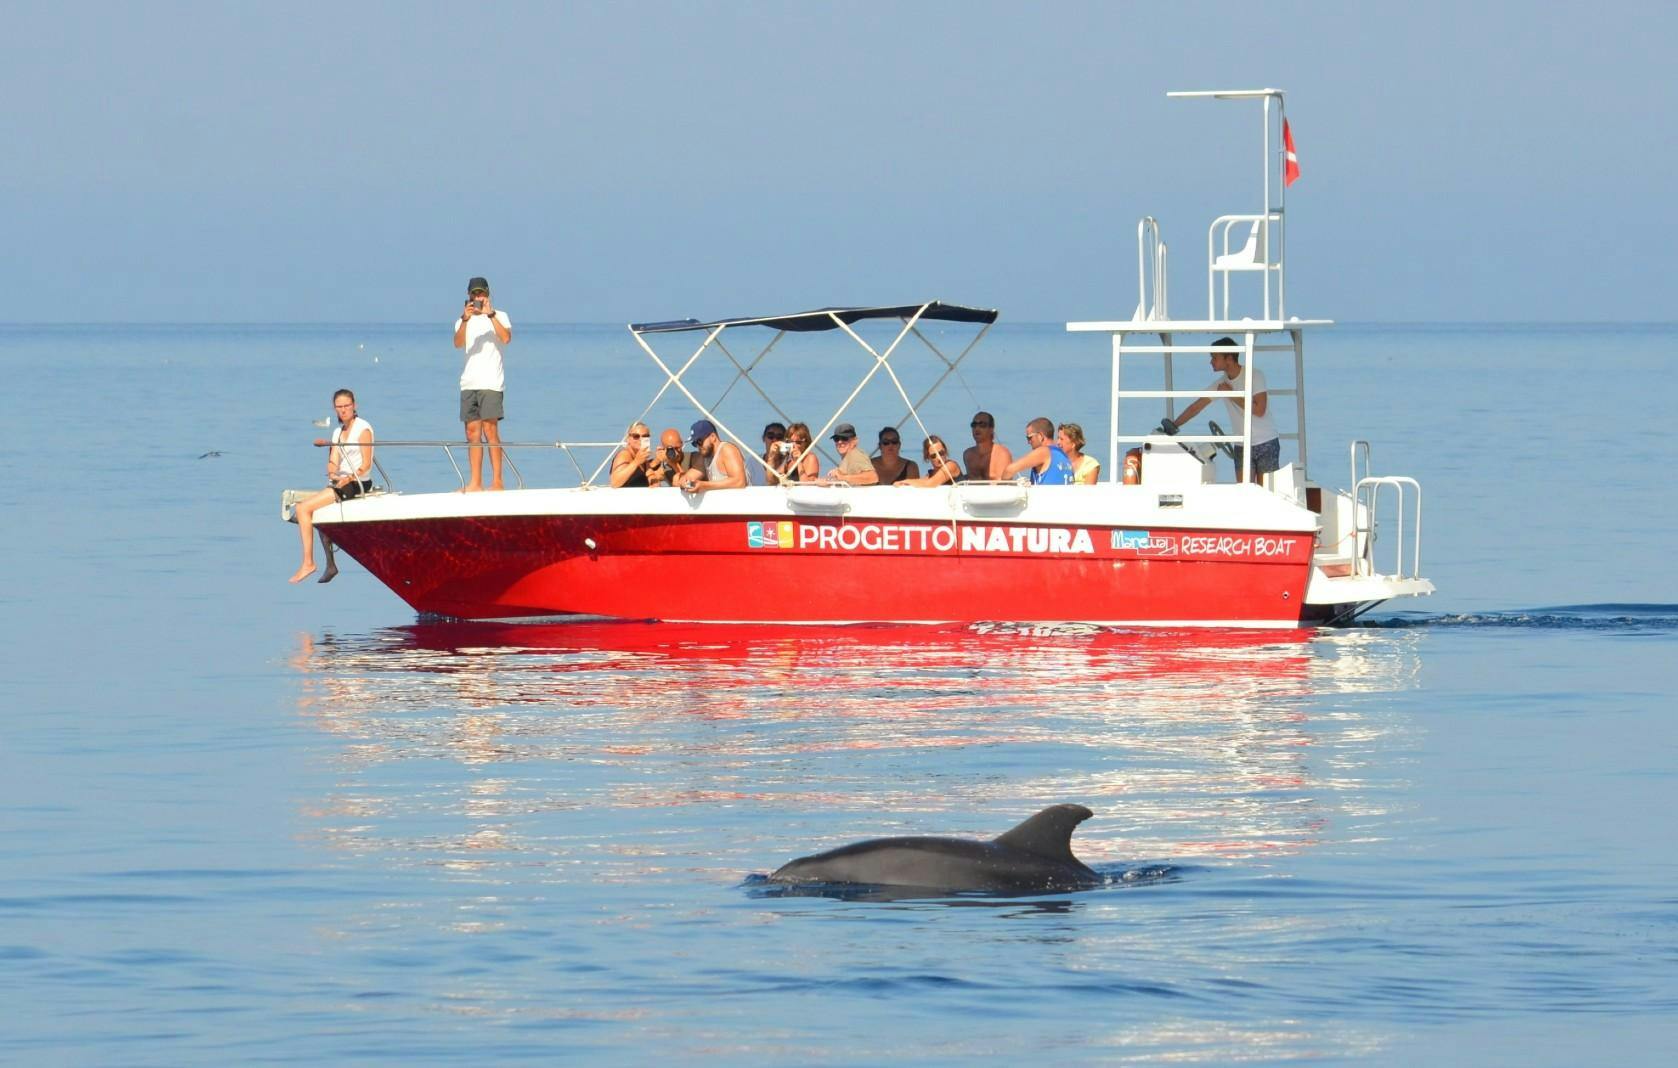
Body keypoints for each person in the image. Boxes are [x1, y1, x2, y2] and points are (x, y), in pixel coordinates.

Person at [290, 389, 373, 584]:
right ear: (334, 409)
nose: (343, 410)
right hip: (341, 481)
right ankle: (331, 564)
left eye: (347, 406)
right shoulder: (337, 432)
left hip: (358, 482)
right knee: (317, 513)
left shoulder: (363, 429)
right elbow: (334, 460)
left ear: (355, 406)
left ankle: (308, 563)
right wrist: (332, 470)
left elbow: (366, 464)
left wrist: (348, 478)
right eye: (339, 407)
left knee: (302, 508)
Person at [1169, 336, 1280, 482]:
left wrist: (1231, 394)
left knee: (1266, 494)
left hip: (1266, 442)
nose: (1211, 362)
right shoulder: (1221, 384)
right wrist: (1174, 426)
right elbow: (1196, 407)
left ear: (1228, 358)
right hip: (1242, 444)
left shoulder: (1255, 375)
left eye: (1215, 357)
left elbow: (1260, 410)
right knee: (1244, 493)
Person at [452, 276, 512, 491]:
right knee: (471, 432)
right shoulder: (462, 320)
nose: (478, 298)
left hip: (491, 382)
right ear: (468, 296)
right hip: (469, 382)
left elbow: (506, 338)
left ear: (488, 294)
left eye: (481, 294)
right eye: (474, 294)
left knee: (490, 430)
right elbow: (458, 343)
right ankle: (475, 482)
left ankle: (497, 481)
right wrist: (466, 319)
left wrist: (491, 314)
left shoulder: (500, 315)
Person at [680, 419, 748, 493]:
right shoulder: (705, 457)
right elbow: (689, 477)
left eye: (699, 441)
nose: (698, 447)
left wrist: (704, 485)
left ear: (713, 437)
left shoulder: (727, 450)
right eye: (694, 443)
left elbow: (740, 482)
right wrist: (684, 481)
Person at [1002, 417, 1075, 484]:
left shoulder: (1043, 452)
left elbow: (1009, 470)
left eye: (1029, 438)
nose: (1028, 442)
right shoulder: (1064, 456)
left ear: (1040, 436)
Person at [962, 410, 1012, 481]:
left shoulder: (1001, 454)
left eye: (982, 425)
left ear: (991, 429)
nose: (977, 428)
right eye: (974, 425)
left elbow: (1005, 485)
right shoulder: (968, 455)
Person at [897, 434, 963, 487]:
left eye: (941, 453)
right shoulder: (930, 475)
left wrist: (905, 481)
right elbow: (922, 482)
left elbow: (930, 484)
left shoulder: (951, 466)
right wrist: (903, 483)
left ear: (945, 451)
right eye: (933, 456)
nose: (939, 458)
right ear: (928, 457)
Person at [609, 422, 660, 488]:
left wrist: (653, 482)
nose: (641, 439)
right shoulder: (624, 455)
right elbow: (614, 483)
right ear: (628, 439)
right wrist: (636, 462)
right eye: (636, 436)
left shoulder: (641, 457)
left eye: (645, 436)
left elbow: (651, 475)